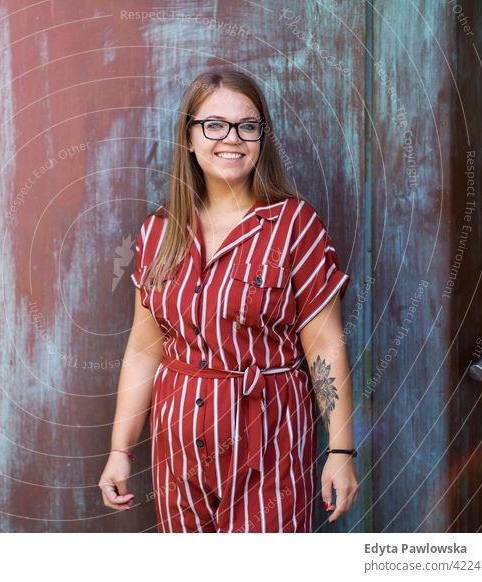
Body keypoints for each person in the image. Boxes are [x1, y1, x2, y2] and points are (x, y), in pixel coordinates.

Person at [98, 69, 359, 532]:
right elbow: (143, 350)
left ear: (262, 137)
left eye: (247, 126)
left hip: (271, 447)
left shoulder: (296, 226)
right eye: (214, 125)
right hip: (178, 452)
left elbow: (324, 346)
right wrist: (120, 450)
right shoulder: (158, 232)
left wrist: (340, 452)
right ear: (190, 137)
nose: (231, 139)